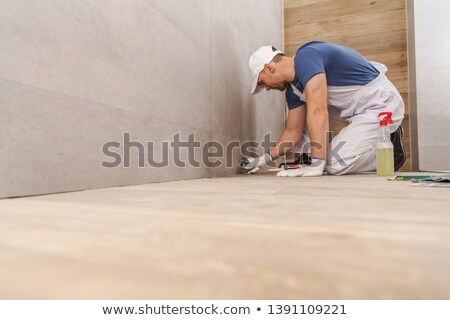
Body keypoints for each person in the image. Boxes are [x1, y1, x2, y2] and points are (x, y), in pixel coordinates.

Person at [240, 41, 406, 177]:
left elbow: (319, 112)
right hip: (358, 109)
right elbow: (293, 132)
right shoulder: (294, 91)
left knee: (334, 164)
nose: (267, 88)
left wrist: (318, 165)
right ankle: (311, 159)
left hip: (381, 104)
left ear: (269, 68)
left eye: (263, 82)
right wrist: (260, 161)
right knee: (307, 115)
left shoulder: (308, 57)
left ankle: (391, 150)